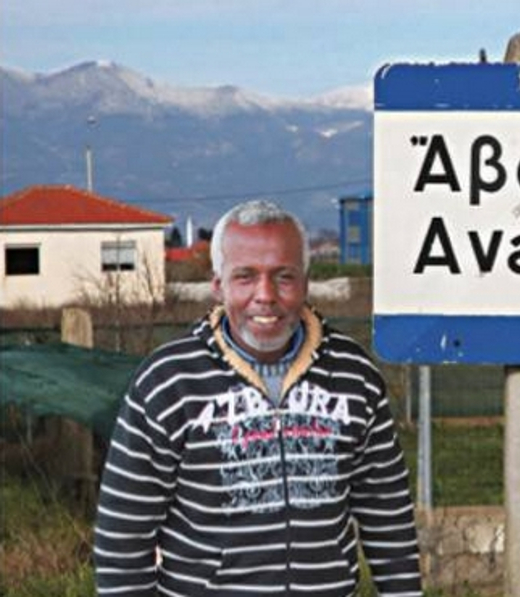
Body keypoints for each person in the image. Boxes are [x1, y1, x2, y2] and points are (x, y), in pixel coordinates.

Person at [93, 199, 422, 596]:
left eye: (284, 277)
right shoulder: (168, 381)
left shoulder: (354, 376)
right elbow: (122, 538)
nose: (265, 295)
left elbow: (388, 516)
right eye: (245, 277)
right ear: (218, 285)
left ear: (305, 281)